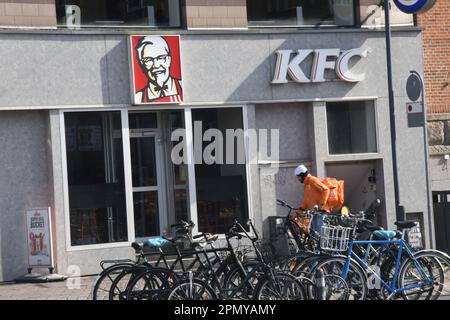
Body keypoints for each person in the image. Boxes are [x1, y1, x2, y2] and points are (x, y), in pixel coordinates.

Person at [135, 36, 183, 103]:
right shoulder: (138, 98)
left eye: (161, 58)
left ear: (169, 60)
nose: (156, 65)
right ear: (142, 64)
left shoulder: (183, 87)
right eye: (148, 60)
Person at [294, 164, 330, 233]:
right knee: (315, 236)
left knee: (321, 235)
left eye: (298, 177)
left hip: (321, 212)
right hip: (314, 213)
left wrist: (321, 204)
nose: (298, 179)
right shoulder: (306, 186)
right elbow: (305, 202)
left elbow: (325, 190)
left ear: (303, 175)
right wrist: (297, 213)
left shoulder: (312, 180)